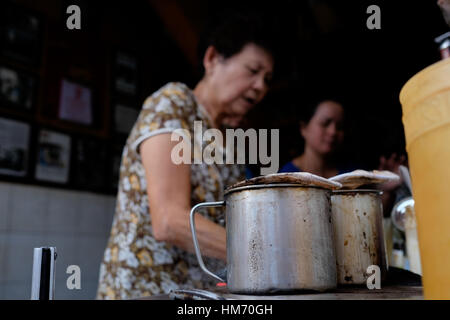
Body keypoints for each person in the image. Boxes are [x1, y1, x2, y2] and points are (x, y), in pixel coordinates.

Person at [96, 10, 285, 299]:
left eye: (268, 79)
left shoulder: (229, 139)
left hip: (198, 295)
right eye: (253, 70)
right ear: (212, 59)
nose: (261, 86)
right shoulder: (174, 103)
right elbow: (170, 221)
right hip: (145, 292)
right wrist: (267, 255)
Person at [279, 98, 349, 178]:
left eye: (340, 127)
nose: (333, 132)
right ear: (304, 128)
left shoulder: (353, 174)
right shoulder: (286, 176)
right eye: (324, 123)